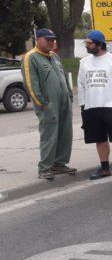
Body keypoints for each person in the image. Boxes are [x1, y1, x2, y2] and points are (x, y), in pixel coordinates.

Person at [77, 30, 112, 180]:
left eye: (89, 43)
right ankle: (104, 168)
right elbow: (81, 84)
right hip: (91, 107)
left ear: (99, 44)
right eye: (86, 43)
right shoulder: (84, 62)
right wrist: (83, 105)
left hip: (111, 106)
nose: (87, 46)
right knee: (99, 139)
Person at [21, 28, 77, 180]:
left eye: (53, 39)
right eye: (47, 39)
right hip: (47, 104)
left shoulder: (54, 56)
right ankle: (45, 167)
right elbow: (31, 84)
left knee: (65, 133)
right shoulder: (31, 57)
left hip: (64, 102)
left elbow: (64, 76)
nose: (51, 42)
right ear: (37, 39)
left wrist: (69, 96)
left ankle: (59, 164)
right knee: (49, 135)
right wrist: (42, 103)